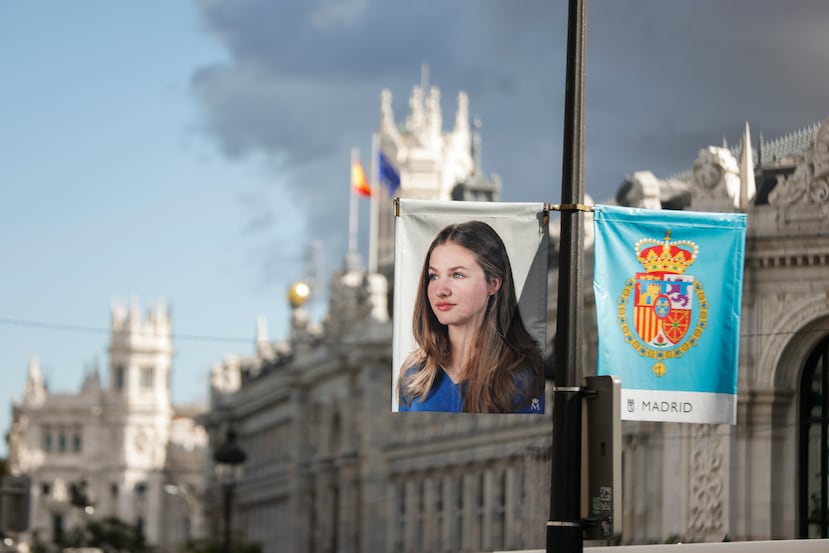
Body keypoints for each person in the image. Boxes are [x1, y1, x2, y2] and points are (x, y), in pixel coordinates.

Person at [397, 220, 545, 413]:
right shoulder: (414, 376)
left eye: (457, 275)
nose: (440, 290)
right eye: (434, 276)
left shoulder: (523, 377)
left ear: (493, 283)